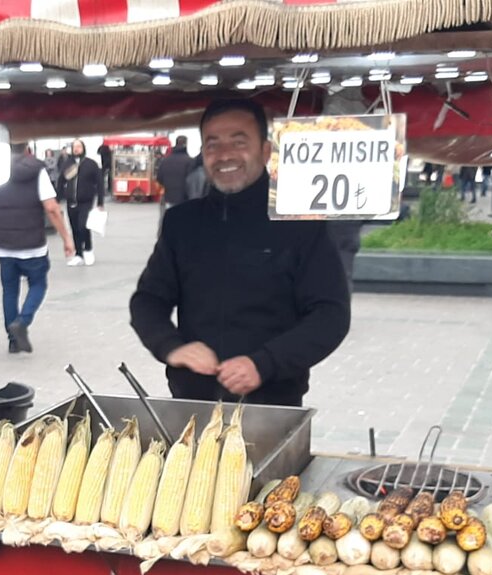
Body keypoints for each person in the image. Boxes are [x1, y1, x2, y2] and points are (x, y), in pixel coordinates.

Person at [129, 98, 351, 407]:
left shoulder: (300, 222)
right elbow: (148, 300)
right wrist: (171, 346)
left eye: (239, 141)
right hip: (192, 401)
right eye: (212, 145)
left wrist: (265, 363)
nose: (224, 155)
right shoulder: (182, 223)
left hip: (274, 403)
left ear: (265, 150)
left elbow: (331, 315)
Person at [0, 142, 75, 354]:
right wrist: (66, 238)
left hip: (3, 245)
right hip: (33, 245)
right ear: (27, 148)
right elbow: (52, 208)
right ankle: (22, 322)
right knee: (38, 284)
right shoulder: (36, 171)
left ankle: (13, 341)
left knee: (9, 291)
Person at [56, 139, 104, 266]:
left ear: (83, 148)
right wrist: (57, 199)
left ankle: (88, 249)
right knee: (74, 228)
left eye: (79, 146)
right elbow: (61, 181)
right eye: (74, 147)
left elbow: (99, 183)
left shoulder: (91, 164)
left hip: (86, 201)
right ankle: (78, 254)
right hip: (71, 201)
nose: (76, 149)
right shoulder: (67, 164)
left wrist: (100, 202)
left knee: (83, 226)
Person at [156, 136, 196, 209]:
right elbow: (192, 180)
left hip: (169, 197)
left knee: (170, 218)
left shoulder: (165, 161)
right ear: (185, 144)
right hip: (184, 198)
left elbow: (159, 178)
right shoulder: (189, 161)